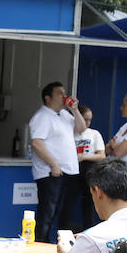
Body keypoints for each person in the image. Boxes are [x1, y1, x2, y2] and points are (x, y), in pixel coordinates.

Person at [29, 82, 86, 243]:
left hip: (68, 170)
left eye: (64, 92)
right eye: (59, 93)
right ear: (48, 98)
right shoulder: (42, 116)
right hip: (51, 172)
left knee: (63, 211)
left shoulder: (65, 114)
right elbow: (37, 142)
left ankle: (59, 245)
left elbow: (81, 128)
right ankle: (41, 243)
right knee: (48, 210)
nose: (64, 96)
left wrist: (74, 109)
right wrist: (53, 164)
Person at [59, 105, 105, 232]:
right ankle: (62, 231)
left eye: (90, 119)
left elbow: (101, 155)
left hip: (89, 170)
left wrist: (83, 157)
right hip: (71, 171)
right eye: (84, 119)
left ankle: (88, 231)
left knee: (89, 203)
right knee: (67, 202)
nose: (87, 123)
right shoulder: (69, 133)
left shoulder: (94, 134)